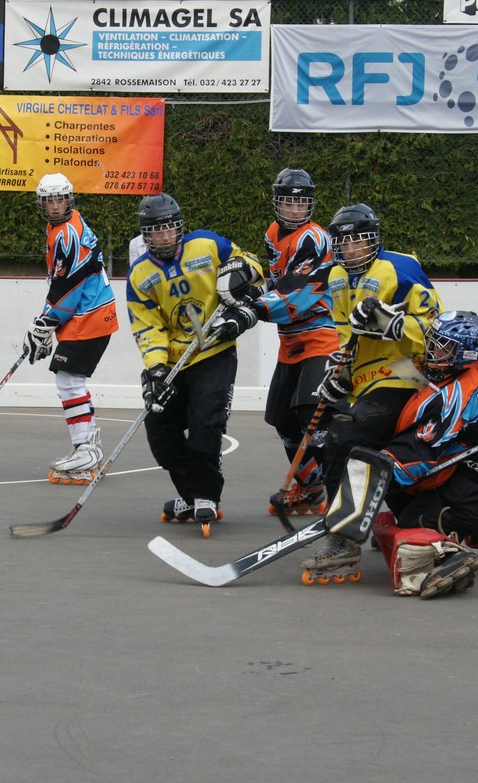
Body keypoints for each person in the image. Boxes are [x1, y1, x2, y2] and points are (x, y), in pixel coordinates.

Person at [296, 310, 478, 591]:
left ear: (466, 354)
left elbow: (417, 458)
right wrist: (353, 381)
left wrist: (369, 481)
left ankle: (442, 556)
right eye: (434, 342)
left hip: (477, 496)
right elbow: (423, 379)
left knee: (407, 517)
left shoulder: (453, 400)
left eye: (444, 348)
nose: (433, 351)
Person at [302, 203, 443, 571]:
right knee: (328, 436)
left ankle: (344, 538)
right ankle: (393, 519)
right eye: (344, 243)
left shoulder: (399, 266)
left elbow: (434, 325)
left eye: (359, 241)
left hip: (404, 372)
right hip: (366, 380)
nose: (351, 249)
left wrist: (393, 324)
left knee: (346, 435)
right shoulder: (336, 276)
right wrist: (342, 375)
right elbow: (345, 334)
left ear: (373, 239)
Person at [128, 193, 263, 534]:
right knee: (160, 431)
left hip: (213, 352)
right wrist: (156, 369)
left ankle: (206, 495)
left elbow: (253, 265)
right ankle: (190, 494)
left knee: (205, 424)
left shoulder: (207, 245)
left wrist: (240, 270)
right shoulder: (140, 274)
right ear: (145, 235)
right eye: (156, 232)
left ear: (180, 227)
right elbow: (147, 327)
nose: (164, 237)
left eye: (169, 229)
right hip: (174, 361)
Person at [239, 168, 339, 517]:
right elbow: (280, 279)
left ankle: (341, 497)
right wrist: (253, 292)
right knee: (281, 419)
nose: (296, 210)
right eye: (288, 203)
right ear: (277, 203)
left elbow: (299, 290)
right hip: (291, 341)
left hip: (322, 335)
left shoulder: (314, 238)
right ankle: (311, 487)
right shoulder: (273, 233)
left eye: (302, 203)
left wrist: (254, 310)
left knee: (312, 414)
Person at [24, 173, 120, 484]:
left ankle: (86, 449)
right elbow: (62, 283)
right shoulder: (63, 227)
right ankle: (88, 446)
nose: (55, 206)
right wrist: (45, 320)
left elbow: (70, 287)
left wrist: (46, 322)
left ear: (69, 199)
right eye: (49, 200)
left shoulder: (68, 234)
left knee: (69, 379)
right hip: (88, 315)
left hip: (89, 316)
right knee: (70, 379)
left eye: (60, 199)